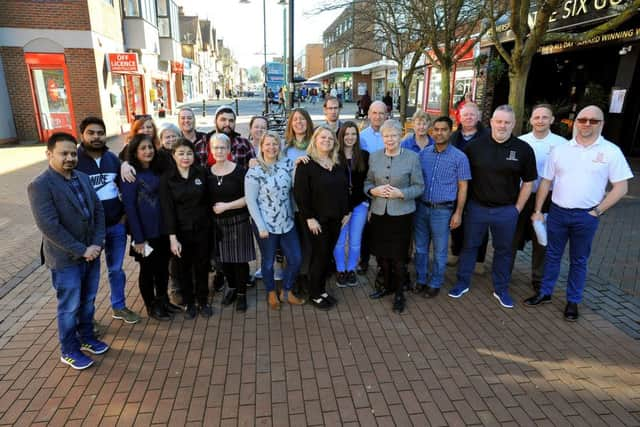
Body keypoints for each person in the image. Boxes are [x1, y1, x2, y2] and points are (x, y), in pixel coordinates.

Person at [525, 105, 633, 321]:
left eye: (593, 121)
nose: (587, 124)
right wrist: (538, 210)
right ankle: (545, 293)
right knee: (552, 256)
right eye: (583, 119)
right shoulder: (561, 149)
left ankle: (573, 301)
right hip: (557, 213)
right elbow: (546, 182)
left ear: (601, 124)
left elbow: (622, 187)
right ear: (576, 122)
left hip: (586, 216)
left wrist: (597, 211)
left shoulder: (611, 151)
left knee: (579, 260)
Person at [28, 132, 108, 370]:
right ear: (49, 154)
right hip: (66, 260)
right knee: (69, 306)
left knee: (88, 301)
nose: (70, 158)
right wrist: (83, 250)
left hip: (90, 254)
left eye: (73, 153)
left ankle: (87, 337)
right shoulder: (40, 186)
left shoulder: (82, 178)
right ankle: (69, 350)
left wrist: (96, 243)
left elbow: (98, 212)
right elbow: (49, 227)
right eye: (64, 153)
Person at [449, 105, 537, 309]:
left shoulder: (523, 149)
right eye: (499, 121)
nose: (502, 126)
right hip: (477, 208)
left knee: (504, 251)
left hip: (506, 211)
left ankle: (501, 288)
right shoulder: (475, 147)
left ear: (514, 124)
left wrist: (517, 208)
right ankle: (462, 283)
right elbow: (463, 179)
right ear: (491, 122)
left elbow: (529, 182)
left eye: (507, 122)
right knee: (469, 246)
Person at [76, 117, 140, 324]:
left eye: (100, 133)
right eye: (91, 133)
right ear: (82, 135)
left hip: (115, 226)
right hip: (89, 231)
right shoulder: (74, 160)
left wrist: (123, 219)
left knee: (116, 269)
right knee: (89, 276)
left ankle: (119, 306)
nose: (96, 137)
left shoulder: (113, 159)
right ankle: (87, 318)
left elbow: (124, 189)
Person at [365, 120, 424, 313]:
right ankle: (386, 286)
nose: (389, 139)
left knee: (399, 257)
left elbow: (419, 186)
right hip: (380, 214)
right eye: (386, 136)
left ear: (400, 136)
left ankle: (399, 293)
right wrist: (373, 190)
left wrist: (402, 194)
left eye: (393, 135)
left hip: (401, 215)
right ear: (382, 138)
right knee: (382, 255)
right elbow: (367, 183)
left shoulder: (412, 158)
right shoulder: (374, 157)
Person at [510, 105, 567, 292]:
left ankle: (538, 279)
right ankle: (504, 273)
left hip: (548, 200)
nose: (540, 120)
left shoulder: (562, 144)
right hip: (520, 197)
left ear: (552, 120)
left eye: (545, 117)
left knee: (541, 240)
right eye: (537, 117)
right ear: (531, 120)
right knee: (511, 238)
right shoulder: (520, 142)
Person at [245, 132, 305, 309]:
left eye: (275, 144)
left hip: (287, 222)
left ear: (280, 146)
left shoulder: (287, 164)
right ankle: (271, 292)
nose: (271, 147)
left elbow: (296, 187)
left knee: (295, 258)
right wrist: (261, 226)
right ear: (261, 146)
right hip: (265, 225)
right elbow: (251, 201)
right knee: (268, 262)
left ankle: (286, 290)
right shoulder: (254, 170)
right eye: (268, 144)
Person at [414, 116, 470, 298]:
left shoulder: (459, 157)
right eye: (436, 129)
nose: (439, 133)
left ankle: (435, 282)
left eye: (443, 129)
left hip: (443, 211)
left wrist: (458, 213)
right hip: (422, 208)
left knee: (439, 250)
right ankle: (421, 279)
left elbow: (463, 186)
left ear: (450, 130)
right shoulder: (424, 154)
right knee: (421, 248)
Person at [294, 127, 349, 310]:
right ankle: (314, 293)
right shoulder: (306, 164)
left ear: (334, 142)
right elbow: (300, 195)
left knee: (327, 255)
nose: (326, 140)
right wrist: (309, 218)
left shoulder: (339, 163)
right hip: (316, 221)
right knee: (319, 256)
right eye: (322, 137)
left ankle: (322, 290)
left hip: (336, 219)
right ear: (315, 140)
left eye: (330, 138)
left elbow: (344, 190)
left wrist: (347, 212)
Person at [121, 134, 173, 321]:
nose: (148, 151)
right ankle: (151, 305)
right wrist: (138, 238)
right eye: (143, 148)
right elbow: (130, 207)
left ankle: (163, 299)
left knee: (162, 268)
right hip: (144, 233)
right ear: (135, 151)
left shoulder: (159, 169)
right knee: (148, 270)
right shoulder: (131, 174)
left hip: (163, 230)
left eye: (150, 147)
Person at [160, 139, 213, 319]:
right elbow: (167, 210)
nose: (185, 157)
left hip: (202, 229)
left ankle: (203, 301)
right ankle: (189, 302)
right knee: (183, 269)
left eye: (189, 153)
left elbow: (208, 200)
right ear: (173, 155)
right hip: (180, 232)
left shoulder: (201, 173)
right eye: (181, 153)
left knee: (202, 266)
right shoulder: (167, 178)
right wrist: (172, 237)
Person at [208, 133, 256, 312]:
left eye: (223, 147)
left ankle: (242, 294)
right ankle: (233, 288)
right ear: (211, 150)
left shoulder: (239, 171)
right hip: (218, 225)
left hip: (238, 221)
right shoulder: (208, 172)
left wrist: (226, 206)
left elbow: (249, 197)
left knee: (239, 261)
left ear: (228, 150)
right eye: (216, 147)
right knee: (224, 262)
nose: (219, 151)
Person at [448, 102, 490, 272]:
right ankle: (456, 252)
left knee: (480, 223)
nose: (469, 117)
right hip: (456, 186)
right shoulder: (454, 137)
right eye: (465, 114)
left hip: (479, 186)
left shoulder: (487, 137)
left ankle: (479, 260)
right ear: (459, 117)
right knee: (456, 219)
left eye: (472, 114)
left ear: (478, 117)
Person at [333, 122, 369, 288]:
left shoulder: (364, 155)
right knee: (339, 241)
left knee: (355, 240)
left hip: (359, 205)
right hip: (340, 207)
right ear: (341, 136)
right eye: (346, 134)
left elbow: (365, 184)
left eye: (353, 134)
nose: (350, 137)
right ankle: (340, 269)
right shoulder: (333, 156)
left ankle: (351, 269)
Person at [283, 109, 315, 295]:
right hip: (290, 203)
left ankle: (306, 276)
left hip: (310, 204)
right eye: (295, 120)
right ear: (291, 124)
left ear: (308, 122)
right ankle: (294, 276)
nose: (299, 122)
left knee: (309, 242)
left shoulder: (315, 144)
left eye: (302, 119)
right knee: (293, 243)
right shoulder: (286, 148)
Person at [357, 100, 387, 275]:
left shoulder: (390, 134)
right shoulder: (362, 138)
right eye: (374, 113)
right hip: (368, 188)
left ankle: (383, 262)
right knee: (365, 229)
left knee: (383, 229)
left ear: (386, 115)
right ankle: (365, 260)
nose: (377, 116)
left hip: (387, 188)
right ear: (368, 114)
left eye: (381, 113)